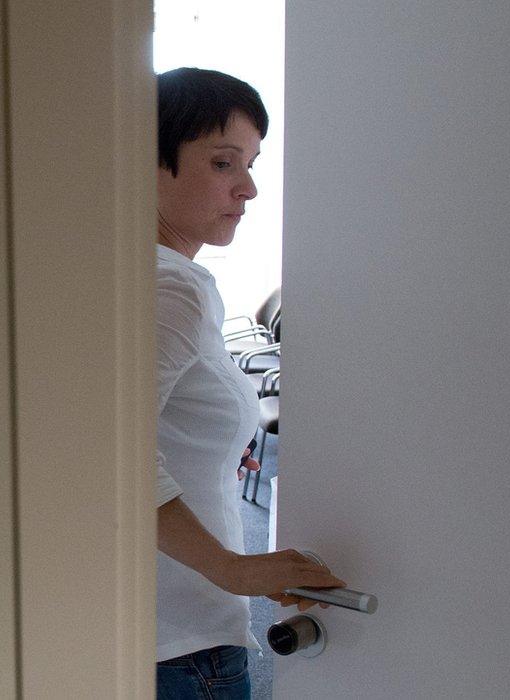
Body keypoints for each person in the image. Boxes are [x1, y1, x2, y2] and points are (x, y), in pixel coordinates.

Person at [154, 67, 345, 699]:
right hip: (182, 643)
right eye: (222, 163)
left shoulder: (139, 272)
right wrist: (234, 570)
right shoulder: (171, 286)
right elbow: (104, 452)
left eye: (252, 162)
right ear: (145, 163)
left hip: (155, 628)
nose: (250, 188)